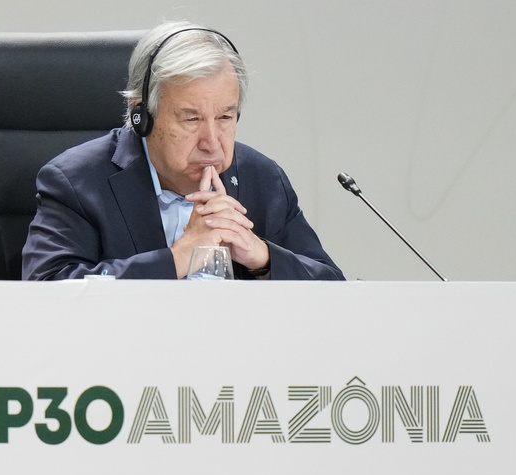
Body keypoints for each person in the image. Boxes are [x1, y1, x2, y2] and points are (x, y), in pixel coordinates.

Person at [21, 21, 344, 281]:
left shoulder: (262, 177)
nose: (212, 142)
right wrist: (180, 256)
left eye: (225, 117)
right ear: (141, 116)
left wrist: (263, 259)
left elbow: (333, 290)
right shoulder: (76, 182)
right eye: (191, 119)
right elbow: (49, 287)